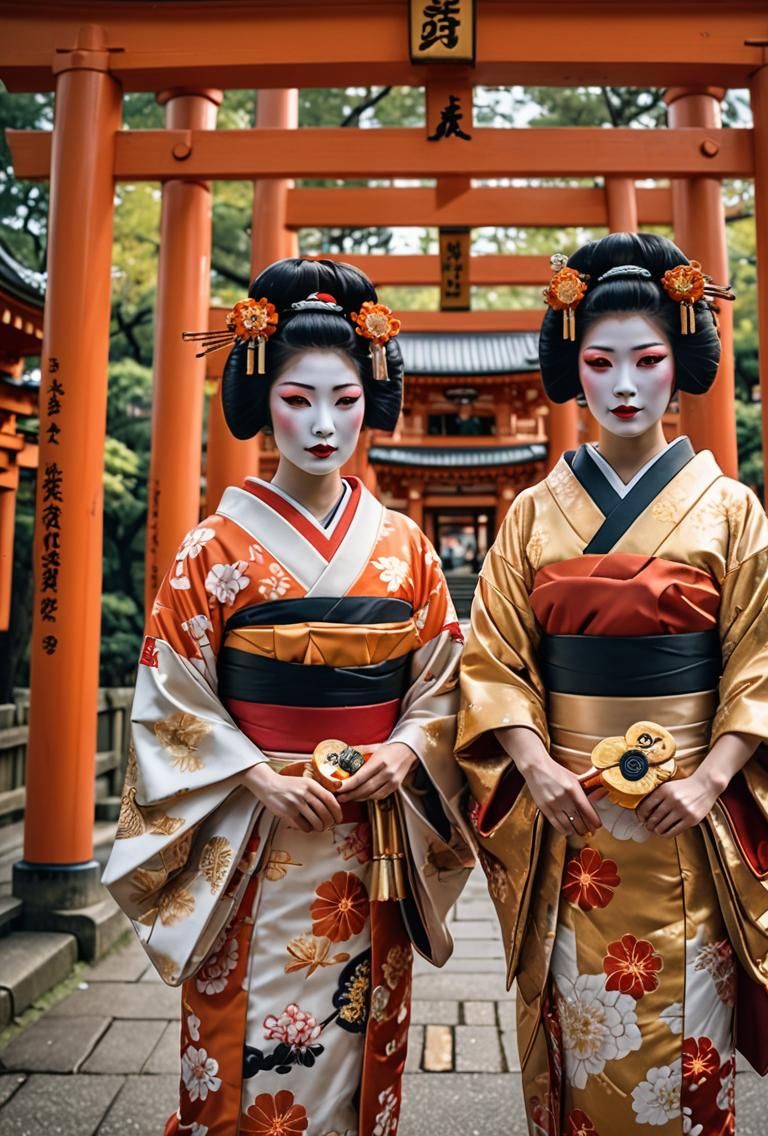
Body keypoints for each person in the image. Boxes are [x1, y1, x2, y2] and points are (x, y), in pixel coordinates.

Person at [455, 233, 768, 1136]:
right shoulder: (531, 513)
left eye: (647, 360)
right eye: (599, 363)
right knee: (581, 1038)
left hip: (691, 822)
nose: (624, 385)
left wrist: (713, 778)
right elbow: (492, 663)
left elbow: (767, 663)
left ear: (680, 367)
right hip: (572, 828)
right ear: (574, 371)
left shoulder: (729, 509)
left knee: (686, 1047)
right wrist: (535, 769)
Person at [104, 258, 474, 1136]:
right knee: (244, 1067)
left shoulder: (407, 548)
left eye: (345, 400)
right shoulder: (211, 549)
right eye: (297, 399)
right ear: (262, 398)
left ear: (370, 399)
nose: (322, 424)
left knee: (357, 1054)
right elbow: (170, 698)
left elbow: (445, 685)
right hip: (250, 844)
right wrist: (252, 775)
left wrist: (407, 750)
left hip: (366, 842)